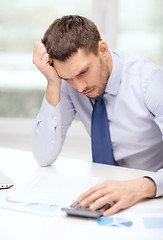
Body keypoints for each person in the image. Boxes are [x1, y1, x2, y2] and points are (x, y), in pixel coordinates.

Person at [32, 15, 163, 216]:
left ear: (102, 50)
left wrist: (142, 187)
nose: (80, 87)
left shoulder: (150, 82)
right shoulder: (69, 85)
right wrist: (53, 83)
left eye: (84, 72)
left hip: (152, 198)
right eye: (67, 78)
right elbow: (43, 156)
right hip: (106, 196)